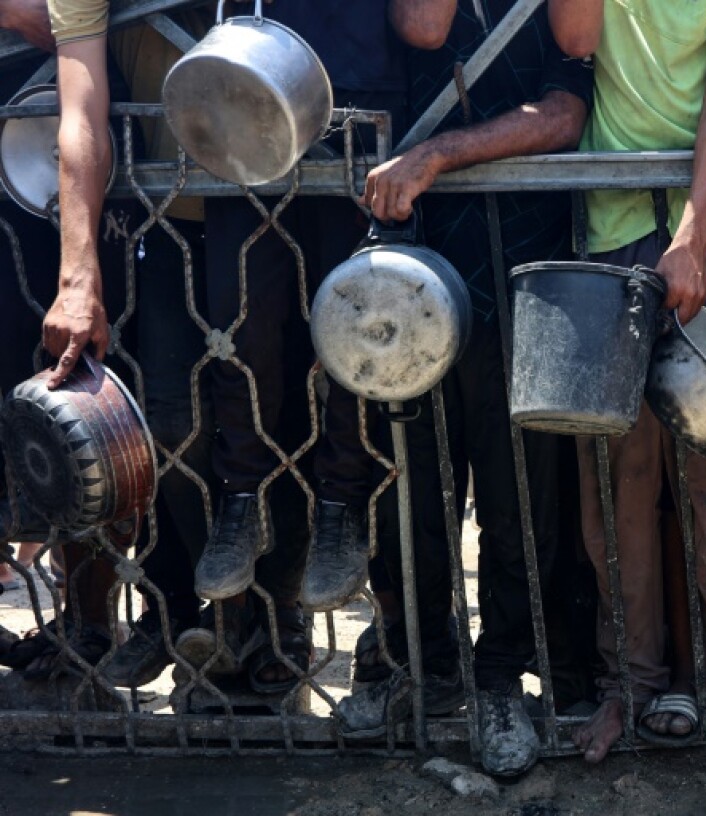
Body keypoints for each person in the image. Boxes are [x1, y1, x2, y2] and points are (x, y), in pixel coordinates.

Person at [334, 0, 596, 779]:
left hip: (517, 257)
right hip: (402, 265)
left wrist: (441, 153)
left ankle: (500, 676)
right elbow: (422, 27)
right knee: (406, 485)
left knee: (520, 491)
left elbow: (564, 113)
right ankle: (416, 662)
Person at [570, 0, 706, 780]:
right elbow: (572, 39)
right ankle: (629, 681)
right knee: (617, 483)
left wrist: (691, 234)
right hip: (607, 218)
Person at [186, 0, 412, 695]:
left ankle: (341, 512)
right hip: (242, 83)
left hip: (356, 96)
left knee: (350, 336)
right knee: (241, 332)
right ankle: (242, 500)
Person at [3, 0, 211, 685]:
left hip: (83, 166)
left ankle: (100, 620)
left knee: (92, 396)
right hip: (59, 143)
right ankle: (102, 620)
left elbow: (46, 24)